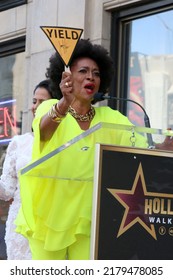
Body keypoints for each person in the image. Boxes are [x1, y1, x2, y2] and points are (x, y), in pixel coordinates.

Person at [15, 39, 148, 260]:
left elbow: (144, 148)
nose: (91, 77)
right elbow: (44, 131)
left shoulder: (111, 118)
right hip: (49, 215)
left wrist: (164, 145)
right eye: (83, 71)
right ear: (66, 77)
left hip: (89, 216)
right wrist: (64, 103)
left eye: (96, 73)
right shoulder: (50, 107)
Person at [0, 79, 54, 260]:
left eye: (42, 102)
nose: (35, 107)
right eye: (34, 101)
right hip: (19, 230)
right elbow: (6, 190)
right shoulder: (19, 142)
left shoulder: (67, 144)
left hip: (53, 226)